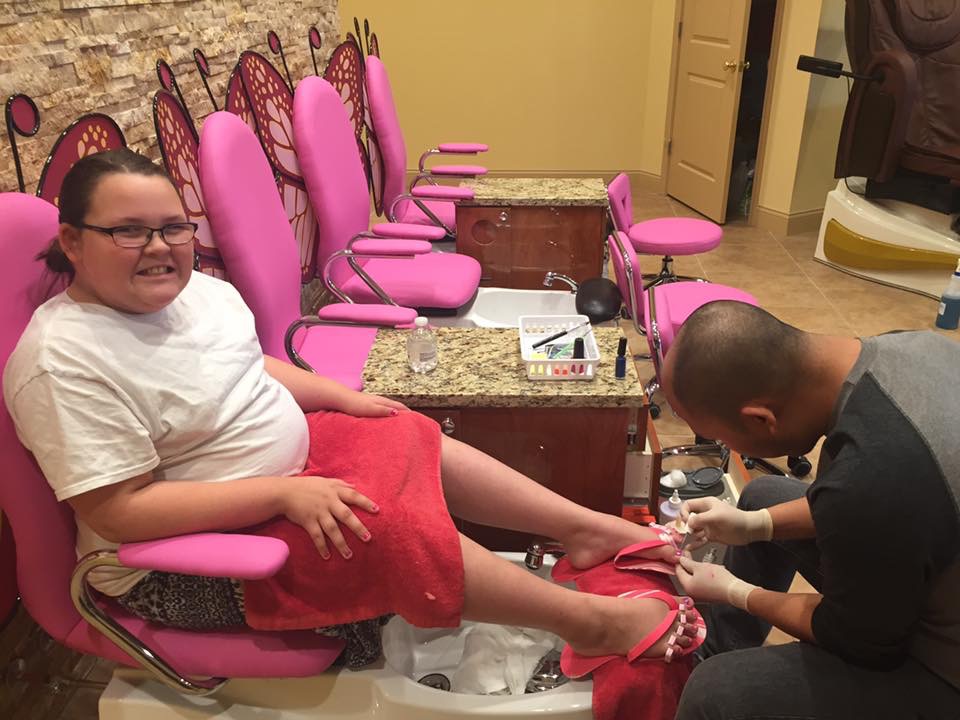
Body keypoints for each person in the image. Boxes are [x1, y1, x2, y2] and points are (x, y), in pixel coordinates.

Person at [2, 149, 701, 670]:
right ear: (73, 242)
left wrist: (345, 398)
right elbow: (119, 512)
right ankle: (591, 625)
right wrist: (283, 494)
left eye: (173, 228)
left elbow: (248, 365)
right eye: (129, 231)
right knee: (384, 525)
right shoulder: (62, 362)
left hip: (282, 474)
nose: (159, 248)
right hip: (177, 564)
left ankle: (586, 530)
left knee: (404, 427)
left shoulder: (194, 294)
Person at [658, 300, 960, 718]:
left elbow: (857, 640)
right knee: (763, 495)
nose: (730, 448)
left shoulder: (875, 473)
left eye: (724, 439)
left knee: (714, 693)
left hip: (941, 669)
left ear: (761, 419)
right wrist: (752, 524)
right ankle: (718, 647)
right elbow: (854, 508)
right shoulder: (909, 348)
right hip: (927, 566)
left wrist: (736, 591)